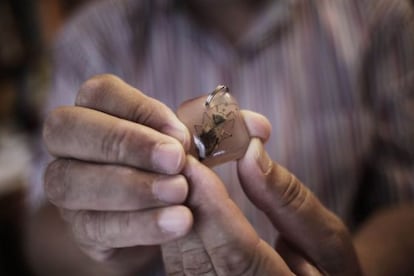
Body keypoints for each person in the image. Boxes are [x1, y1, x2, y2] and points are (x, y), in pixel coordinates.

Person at [36, 0, 414, 275]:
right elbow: (38, 229)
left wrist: (356, 266)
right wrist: (108, 238)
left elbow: (405, 201)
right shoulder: (92, 39)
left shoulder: (380, 17)